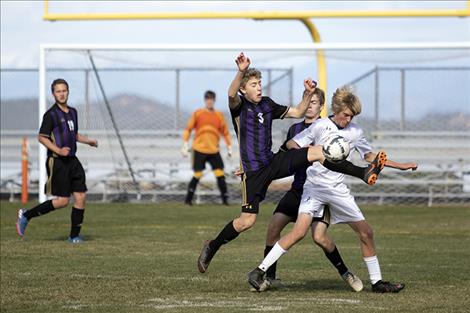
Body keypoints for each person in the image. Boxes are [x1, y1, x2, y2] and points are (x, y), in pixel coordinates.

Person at [197, 52, 386, 274]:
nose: (259, 88)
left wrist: (307, 94)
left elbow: (297, 111)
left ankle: (363, 172)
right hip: (254, 172)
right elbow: (230, 93)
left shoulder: (267, 105)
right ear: (243, 89)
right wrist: (241, 71)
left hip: (273, 161)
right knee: (246, 222)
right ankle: (212, 245)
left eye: (259, 83)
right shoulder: (239, 106)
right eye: (254, 84)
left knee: (317, 152)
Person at [248, 86, 418, 293]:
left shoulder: (355, 132)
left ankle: (377, 282)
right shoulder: (320, 126)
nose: (348, 119)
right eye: (346, 115)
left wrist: (401, 165)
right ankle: (259, 271)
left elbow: (369, 156)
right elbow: (292, 143)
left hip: (338, 189)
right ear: (336, 109)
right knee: (299, 232)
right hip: (314, 187)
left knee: (366, 232)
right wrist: (306, 154)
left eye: (352, 116)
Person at [258, 87, 363, 292]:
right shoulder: (295, 129)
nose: (310, 106)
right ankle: (269, 277)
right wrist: (261, 174)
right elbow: (281, 155)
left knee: (320, 238)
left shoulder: (328, 129)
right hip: (298, 189)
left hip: (318, 190)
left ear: (322, 106)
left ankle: (345, 273)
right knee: (273, 228)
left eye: (314, 103)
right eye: (308, 101)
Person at [16, 78, 98, 243]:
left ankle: (74, 236)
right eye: (58, 91)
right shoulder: (51, 115)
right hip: (57, 162)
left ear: (68, 92)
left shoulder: (73, 112)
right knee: (62, 201)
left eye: (64, 90)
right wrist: (59, 150)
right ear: (53, 94)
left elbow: (72, 134)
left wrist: (88, 141)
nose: (62, 94)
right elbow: (42, 137)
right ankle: (26, 215)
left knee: (81, 197)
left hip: (73, 160)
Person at [181, 90, 232, 205]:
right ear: (205, 100)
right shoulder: (198, 113)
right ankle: (188, 200)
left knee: (220, 174)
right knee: (198, 174)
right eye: (207, 99)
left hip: (214, 150)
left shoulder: (219, 115)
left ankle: (225, 201)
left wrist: (229, 146)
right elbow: (188, 129)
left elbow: (225, 132)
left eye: (211, 99)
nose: (209, 101)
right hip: (199, 149)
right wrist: (185, 143)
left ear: (214, 100)